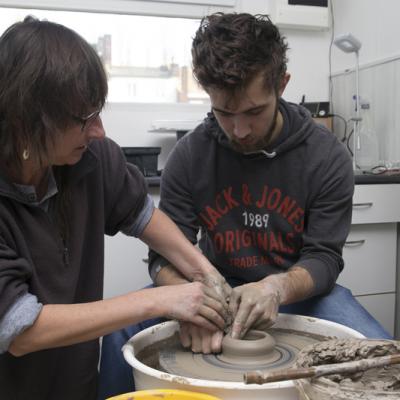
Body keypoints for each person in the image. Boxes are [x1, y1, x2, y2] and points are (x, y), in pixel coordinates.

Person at [100, 12, 392, 399]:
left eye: (254, 112)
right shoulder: (190, 156)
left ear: (282, 84)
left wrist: (277, 287)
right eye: (224, 113)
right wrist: (193, 302)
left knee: (379, 354)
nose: (239, 130)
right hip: (212, 287)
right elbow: (163, 259)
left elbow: (324, 258)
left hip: (298, 291)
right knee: (121, 333)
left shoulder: (326, 156)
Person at [0, 16, 231, 400]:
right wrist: (159, 299)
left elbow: (144, 217)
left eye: (97, 112)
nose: (99, 131)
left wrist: (206, 276)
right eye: (83, 119)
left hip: (76, 381)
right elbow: (20, 330)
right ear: (26, 122)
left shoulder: (91, 158)